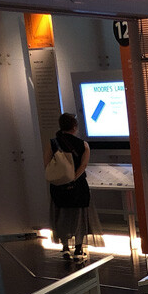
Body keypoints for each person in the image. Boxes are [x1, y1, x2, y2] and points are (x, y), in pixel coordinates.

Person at [44, 112, 100, 263]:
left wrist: (63, 178)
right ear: (74, 127)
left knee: (62, 216)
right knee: (79, 217)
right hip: (78, 186)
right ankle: (78, 248)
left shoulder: (53, 143)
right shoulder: (83, 144)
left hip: (58, 186)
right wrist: (73, 178)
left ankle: (65, 247)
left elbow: (47, 164)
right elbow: (83, 165)